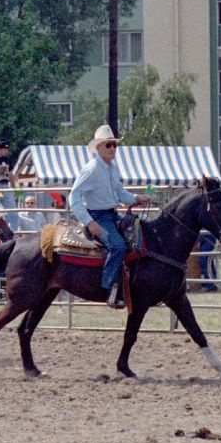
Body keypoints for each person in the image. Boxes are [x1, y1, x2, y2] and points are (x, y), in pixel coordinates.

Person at [67, 126, 146, 309]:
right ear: (99, 148)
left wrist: (135, 198)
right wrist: (89, 222)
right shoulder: (92, 169)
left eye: (114, 145)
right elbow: (74, 196)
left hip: (111, 215)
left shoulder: (113, 167)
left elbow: (119, 193)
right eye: (108, 145)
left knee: (139, 236)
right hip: (98, 217)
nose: (112, 148)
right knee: (117, 246)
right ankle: (108, 288)